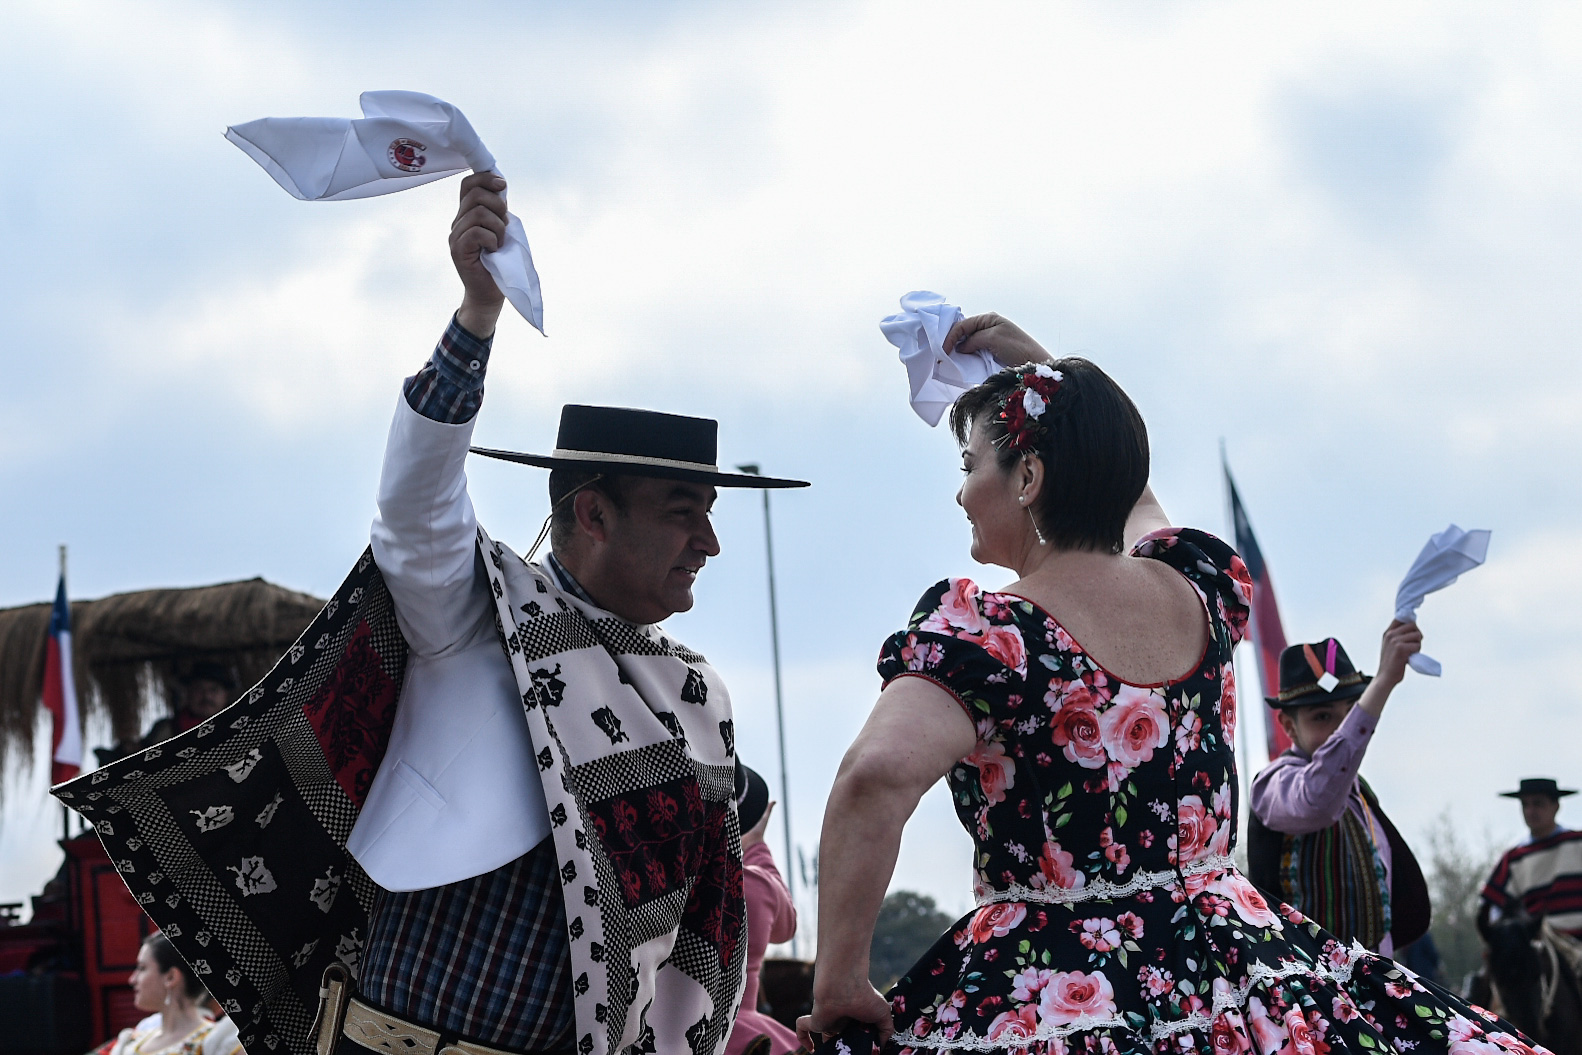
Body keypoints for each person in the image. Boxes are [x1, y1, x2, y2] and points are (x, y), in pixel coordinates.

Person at [797, 314, 1546, 1053]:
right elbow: (1129, 491)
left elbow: (874, 775)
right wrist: (1040, 366)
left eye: (969, 466)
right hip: (1234, 962)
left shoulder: (989, 635)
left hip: (1054, 980)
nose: (961, 494)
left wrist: (838, 980)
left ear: (1028, 477)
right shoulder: (1199, 589)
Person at [320, 172, 807, 1055]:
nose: (708, 542)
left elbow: (700, 932)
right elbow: (414, 506)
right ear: (593, 513)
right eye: (680, 511)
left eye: (710, 513)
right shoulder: (479, 613)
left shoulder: (700, 698)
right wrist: (475, 319)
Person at [1246, 635, 1432, 955]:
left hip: (1373, 981)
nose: (1341, 728)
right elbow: (1316, 803)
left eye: (1349, 713)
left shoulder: (1361, 793)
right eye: (1322, 716)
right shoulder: (1274, 784)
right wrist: (1384, 683)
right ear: (1289, 727)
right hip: (1303, 987)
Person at [726, 764, 799, 1055]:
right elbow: (787, 926)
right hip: (740, 1037)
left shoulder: (646, 879)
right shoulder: (751, 884)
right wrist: (755, 844)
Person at [95, 934, 240, 1055]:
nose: (132, 979)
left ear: (171, 977)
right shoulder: (132, 1040)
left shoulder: (217, 1042)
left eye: (142, 968)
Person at [1481, 778, 1582, 938]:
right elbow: (1494, 907)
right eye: (1525, 805)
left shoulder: (1577, 843)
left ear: (1556, 806)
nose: (1530, 811)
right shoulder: (1514, 858)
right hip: (1539, 942)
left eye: (1538, 804)